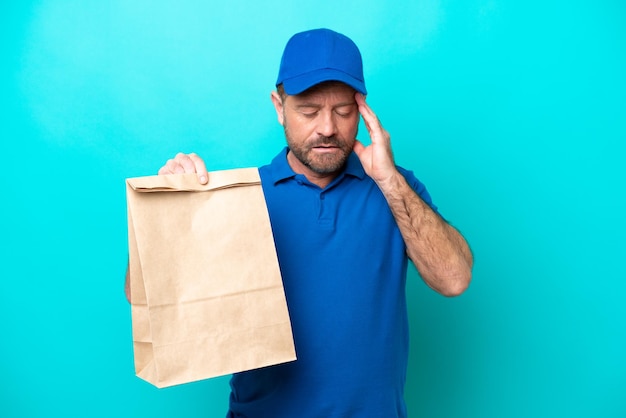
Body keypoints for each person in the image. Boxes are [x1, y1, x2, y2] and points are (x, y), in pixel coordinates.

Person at [127, 28, 473, 417]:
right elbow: (144, 297)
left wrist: (390, 181)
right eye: (308, 111)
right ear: (279, 107)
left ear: (362, 109)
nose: (327, 127)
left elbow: (454, 279)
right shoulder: (243, 194)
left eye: (342, 111)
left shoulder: (398, 189)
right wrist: (174, 210)